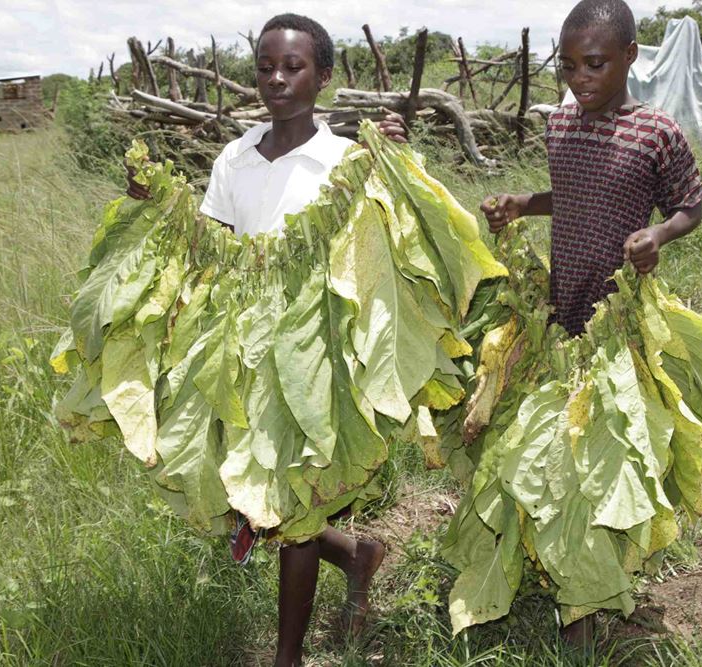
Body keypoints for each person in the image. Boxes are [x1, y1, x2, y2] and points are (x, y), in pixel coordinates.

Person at [126, 14, 407, 667]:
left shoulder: (344, 157)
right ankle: (358, 553)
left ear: (326, 77)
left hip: (312, 344)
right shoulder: (236, 156)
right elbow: (210, 245)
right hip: (241, 337)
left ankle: (286, 656)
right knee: (252, 489)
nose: (277, 80)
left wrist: (389, 155)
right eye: (266, 67)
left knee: (290, 493)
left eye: (294, 67)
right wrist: (156, 204)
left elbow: (379, 240)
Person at [480, 0, 702, 645]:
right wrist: (526, 204)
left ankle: (592, 588)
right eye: (569, 65)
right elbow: (574, 193)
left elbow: (689, 205)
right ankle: (564, 566)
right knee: (559, 437)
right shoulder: (559, 125)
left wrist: (658, 233)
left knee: (605, 443)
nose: (580, 78)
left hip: (620, 312)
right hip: (561, 301)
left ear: (631, 56)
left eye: (596, 63)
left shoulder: (656, 131)